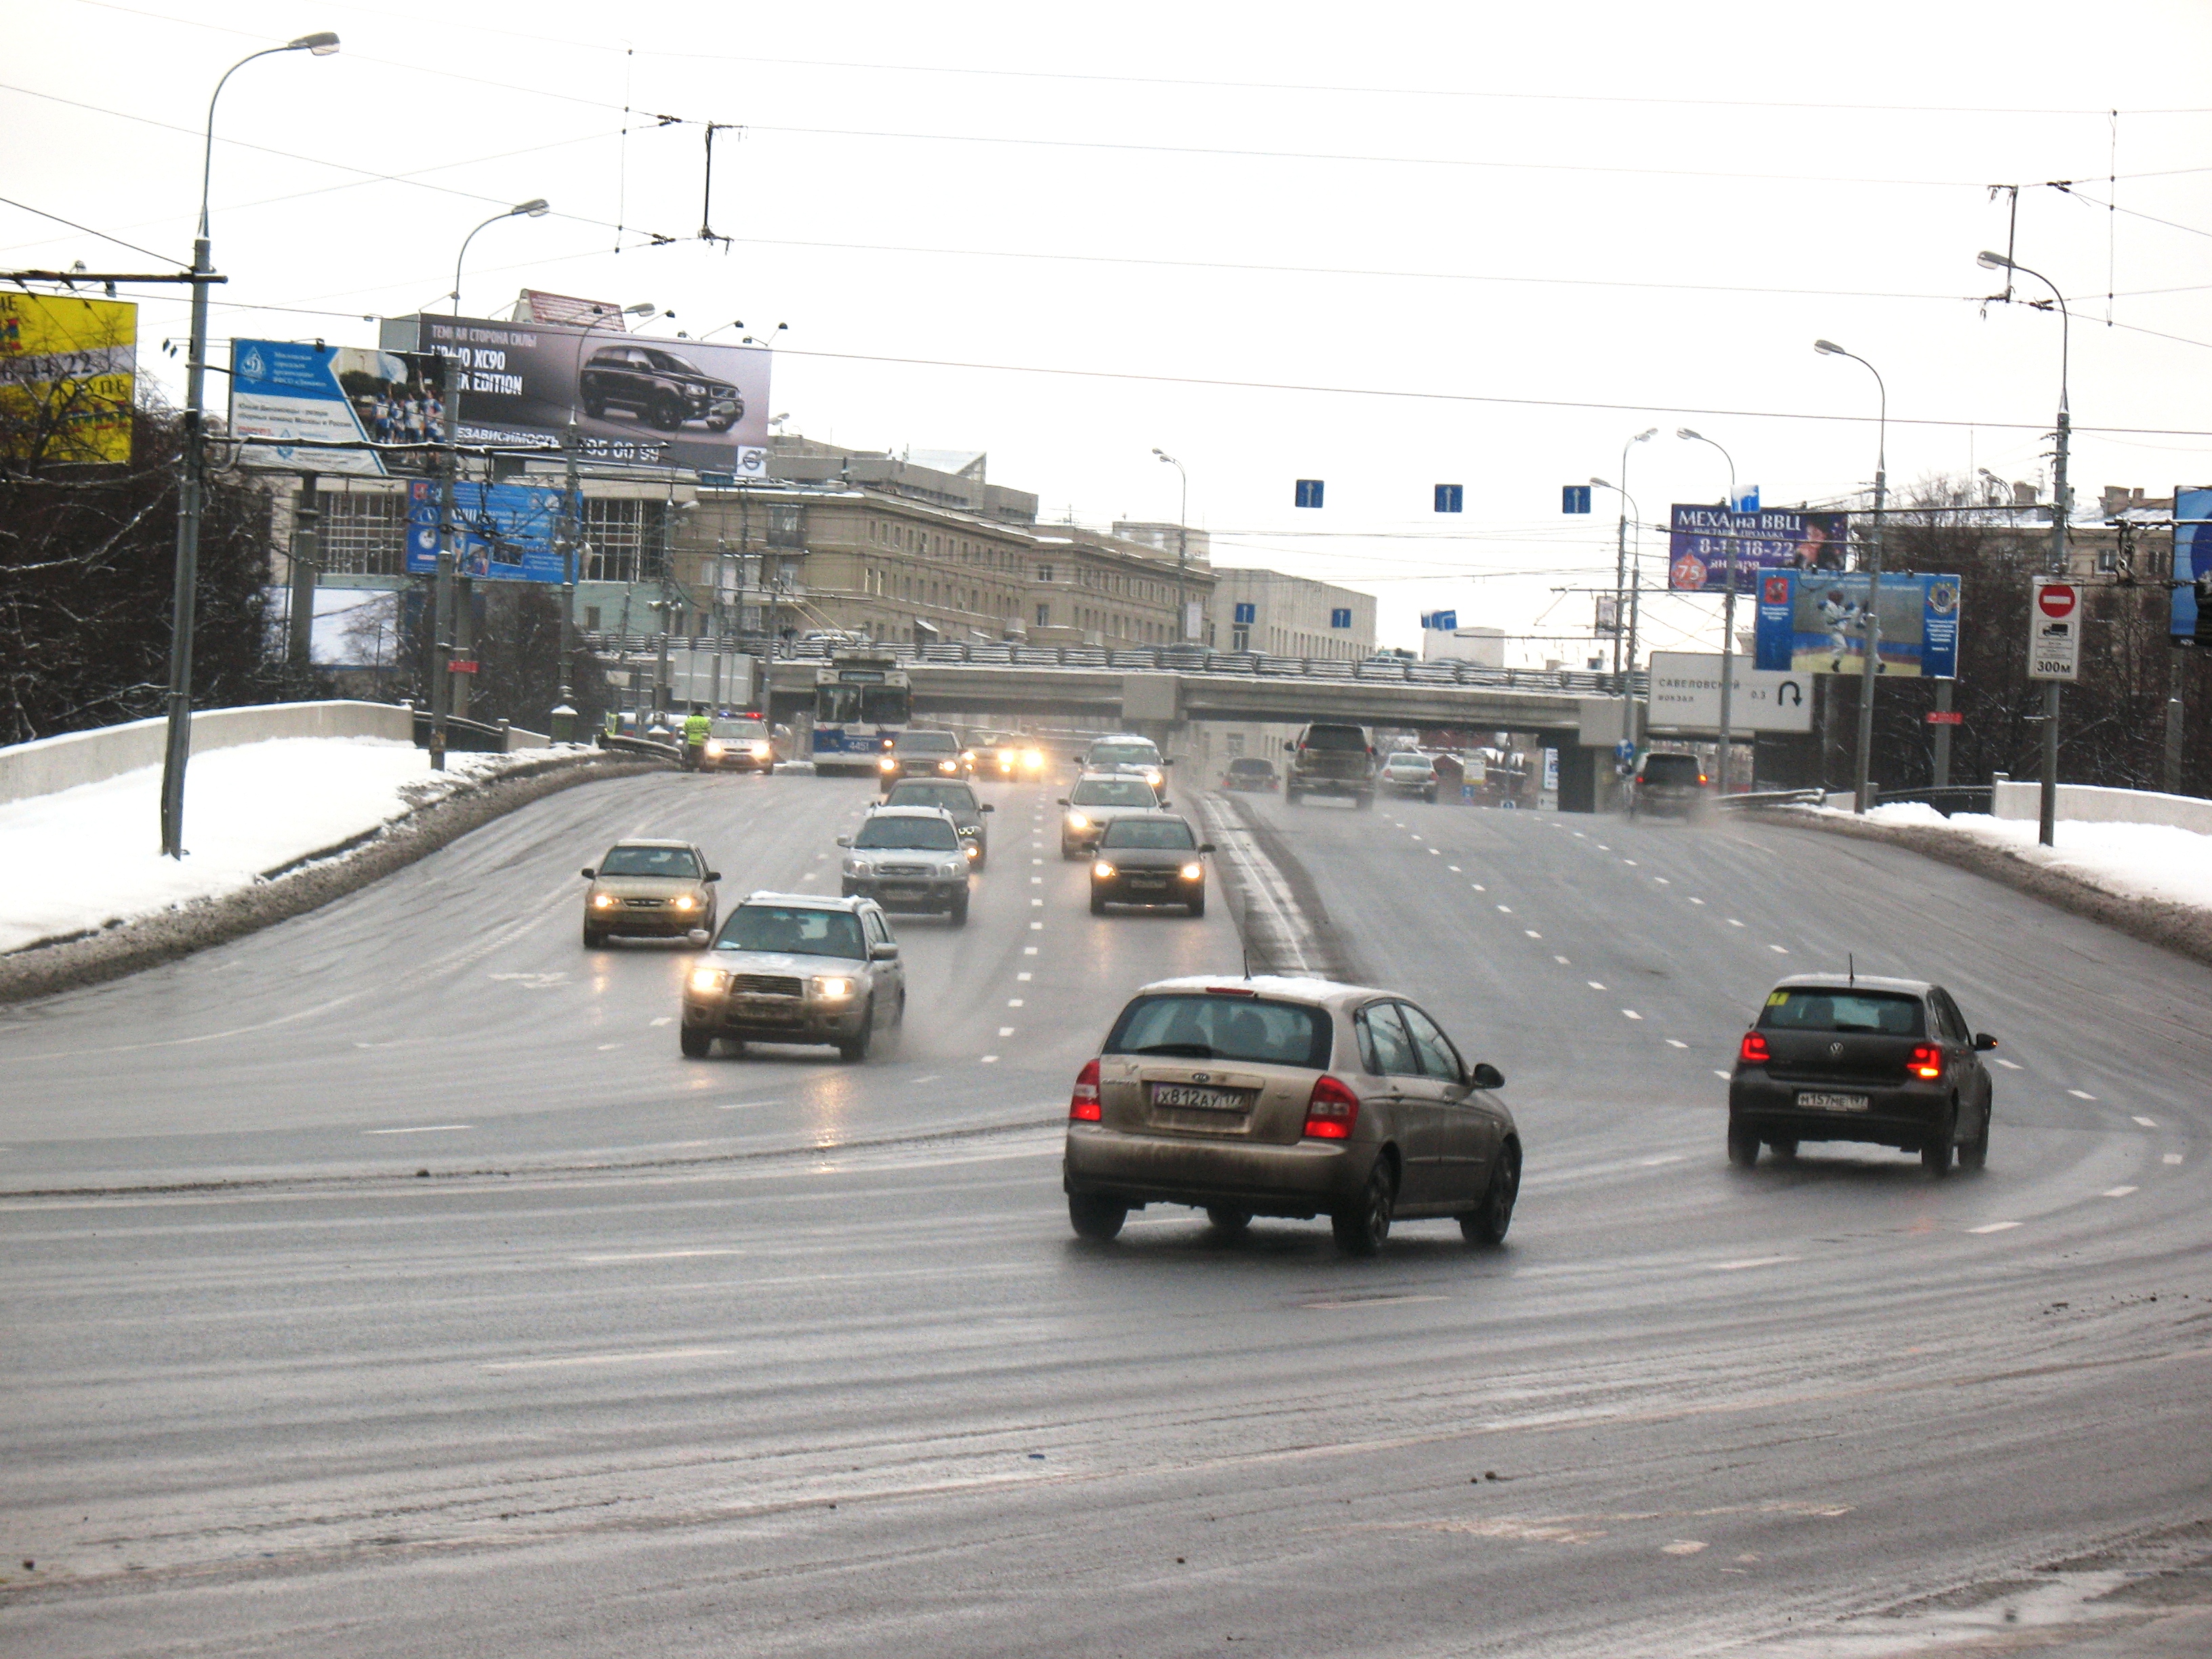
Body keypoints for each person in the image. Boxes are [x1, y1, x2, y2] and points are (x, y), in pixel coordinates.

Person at [682, 704, 711, 771]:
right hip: (702, 742)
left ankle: (691, 765)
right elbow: (709, 731)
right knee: (702, 755)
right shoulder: (705, 720)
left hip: (691, 741)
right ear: (702, 712)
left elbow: (685, 730)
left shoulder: (689, 720)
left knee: (691, 755)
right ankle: (702, 766)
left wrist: (690, 734)